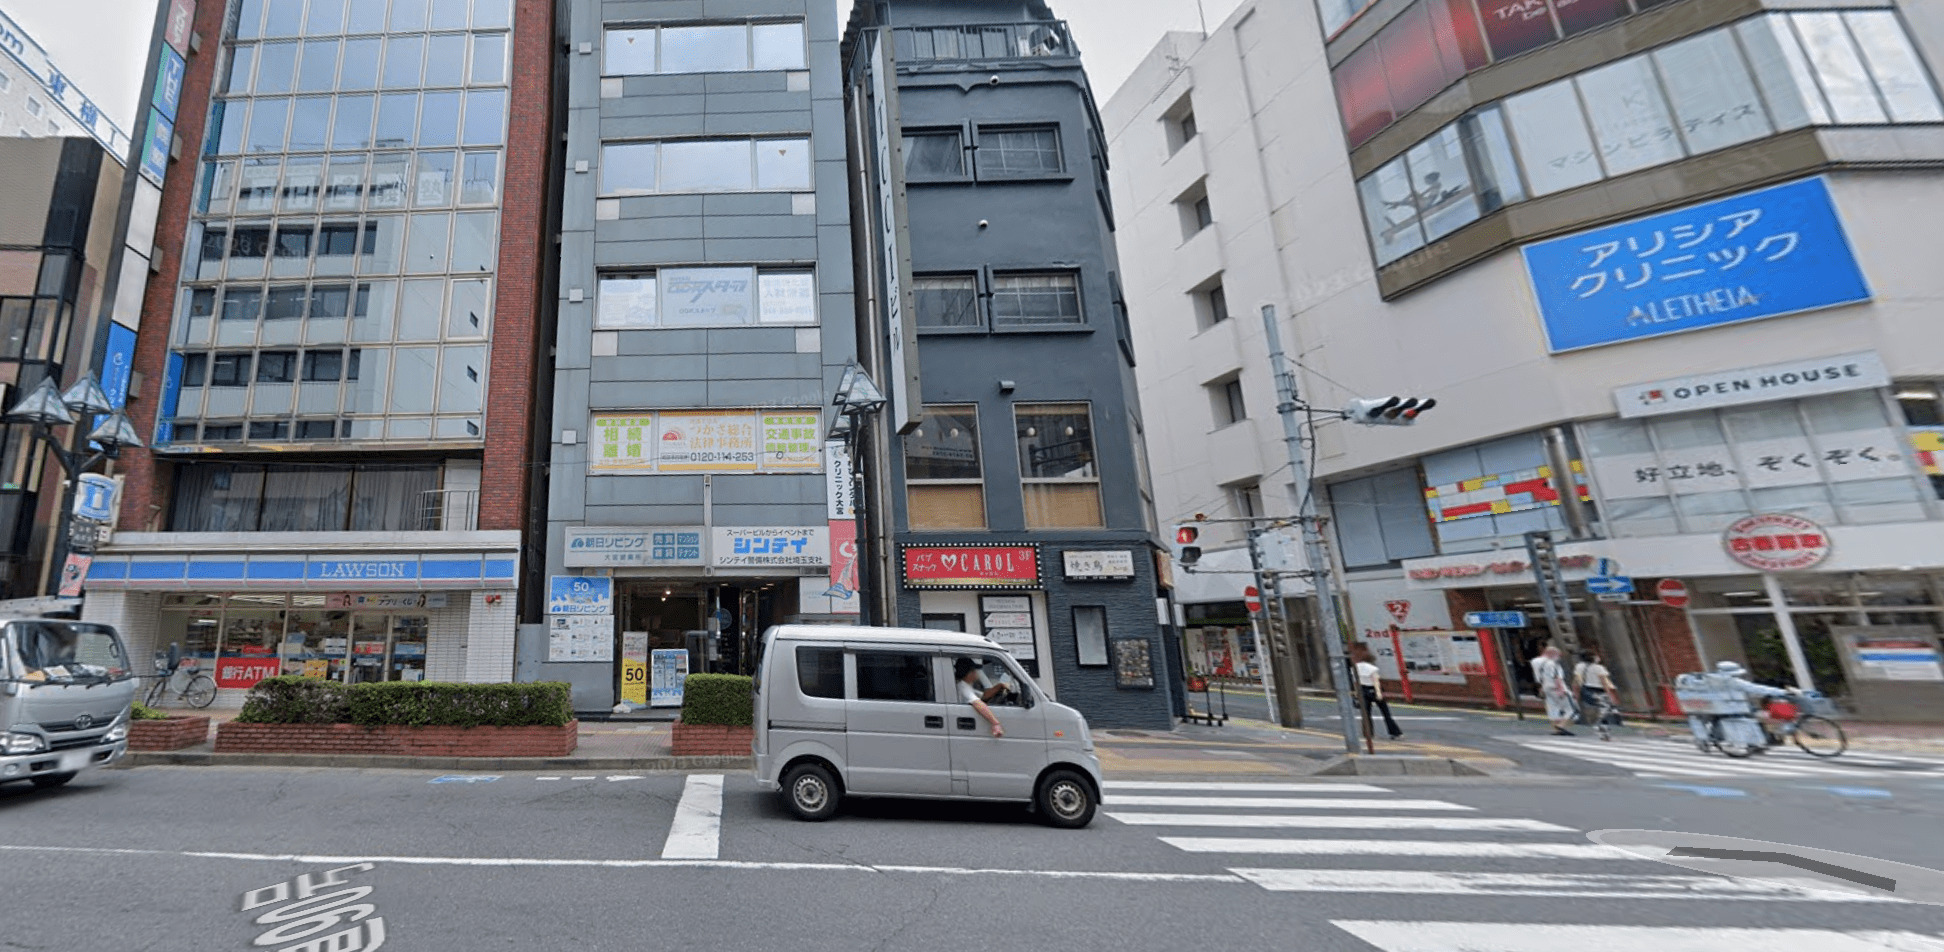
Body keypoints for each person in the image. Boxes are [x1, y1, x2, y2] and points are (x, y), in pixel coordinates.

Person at [1349, 643, 1403, 740]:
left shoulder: (1354, 669)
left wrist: (1356, 694)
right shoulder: (1372, 668)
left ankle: (1368, 734)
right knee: (1385, 713)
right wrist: (1378, 693)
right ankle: (1394, 732)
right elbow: (1376, 681)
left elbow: (1355, 683)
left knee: (1366, 714)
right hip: (1373, 689)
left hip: (1362, 690)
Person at [1573, 650, 1620, 740]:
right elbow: (1604, 682)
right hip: (1599, 691)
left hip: (1586, 690)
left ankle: (1603, 731)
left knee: (1598, 711)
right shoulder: (1599, 668)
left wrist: (1576, 694)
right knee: (1605, 711)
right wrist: (1610, 694)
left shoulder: (1579, 666)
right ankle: (1602, 729)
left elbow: (1576, 681)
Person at [954, 657, 1006, 738]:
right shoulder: (963, 687)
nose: (977, 673)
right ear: (969, 673)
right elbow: (977, 703)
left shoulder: (967, 685)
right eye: (975, 671)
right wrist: (995, 723)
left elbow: (983, 696)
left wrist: (1000, 686)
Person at [1531, 646, 1575, 736]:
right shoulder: (1553, 664)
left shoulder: (1534, 662)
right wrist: (1562, 691)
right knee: (1572, 709)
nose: (1559, 658)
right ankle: (1561, 726)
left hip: (1544, 687)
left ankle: (1556, 729)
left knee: (1553, 708)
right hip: (1555, 687)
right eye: (1558, 655)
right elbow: (1557, 677)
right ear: (1552, 654)